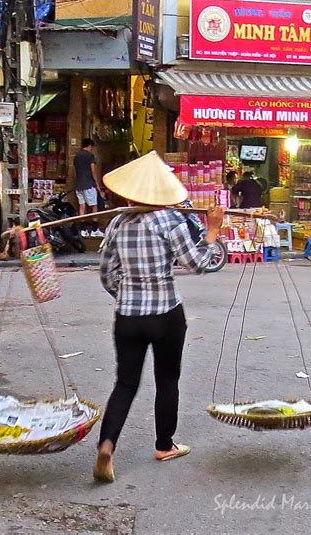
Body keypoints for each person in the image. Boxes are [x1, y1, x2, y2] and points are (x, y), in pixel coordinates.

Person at [93, 151, 224, 483]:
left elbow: (107, 274)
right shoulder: (171, 222)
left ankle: (107, 445)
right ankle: (164, 445)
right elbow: (197, 264)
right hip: (166, 314)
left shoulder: (117, 223)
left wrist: (126, 295)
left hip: (127, 317)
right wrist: (212, 231)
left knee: (125, 383)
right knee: (167, 380)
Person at [73, 138, 104, 235]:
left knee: (82, 206)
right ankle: (95, 230)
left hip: (78, 185)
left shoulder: (77, 155)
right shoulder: (90, 156)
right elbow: (93, 171)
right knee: (94, 206)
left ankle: (83, 230)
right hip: (89, 184)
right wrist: (97, 185)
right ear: (90, 146)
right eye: (92, 147)